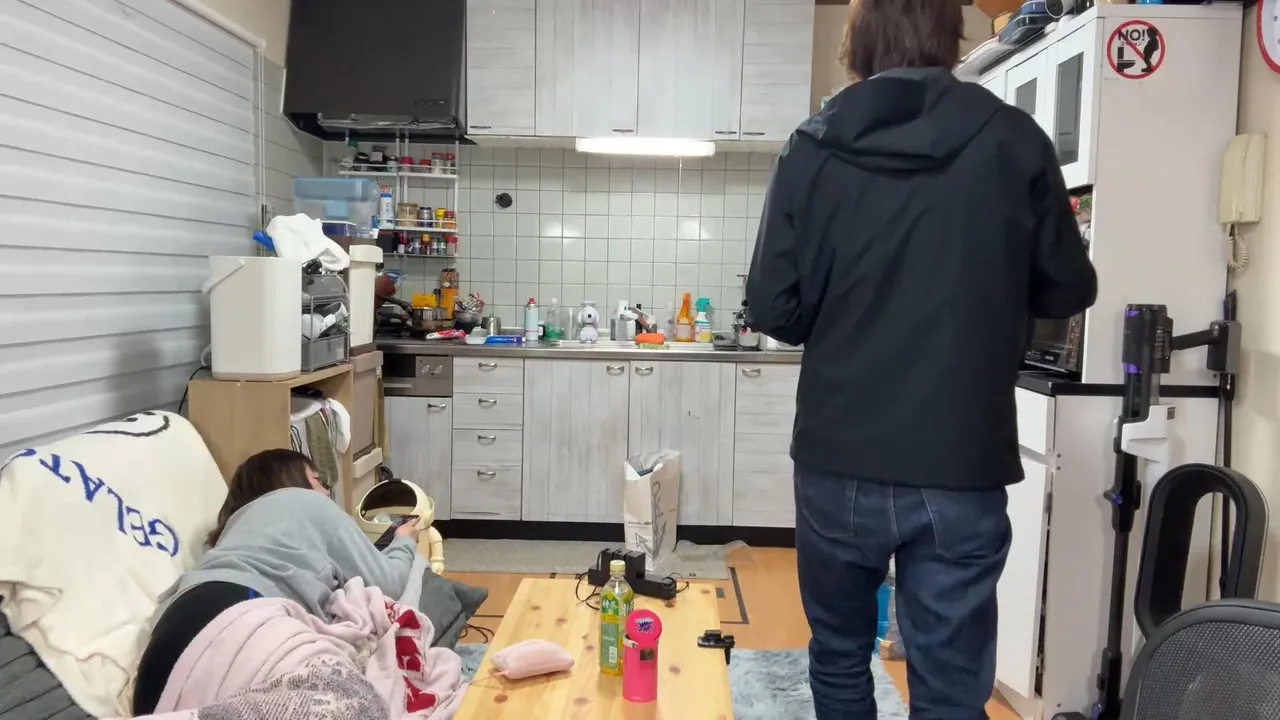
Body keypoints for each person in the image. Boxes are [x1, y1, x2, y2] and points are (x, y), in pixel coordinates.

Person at [744, 1, 1097, 717]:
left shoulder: (810, 147)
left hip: (840, 451)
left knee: (839, 653)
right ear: (948, 36)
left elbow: (774, 310)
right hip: (961, 458)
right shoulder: (1014, 139)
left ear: (858, 44)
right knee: (950, 678)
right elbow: (1069, 287)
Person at [132, 449, 420, 714]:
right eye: (318, 481)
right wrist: (404, 542)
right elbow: (387, 581)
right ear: (292, 480)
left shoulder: (233, 529)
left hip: (160, 665)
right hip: (241, 617)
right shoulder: (307, 501)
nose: (326, 491)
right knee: (357, 704)